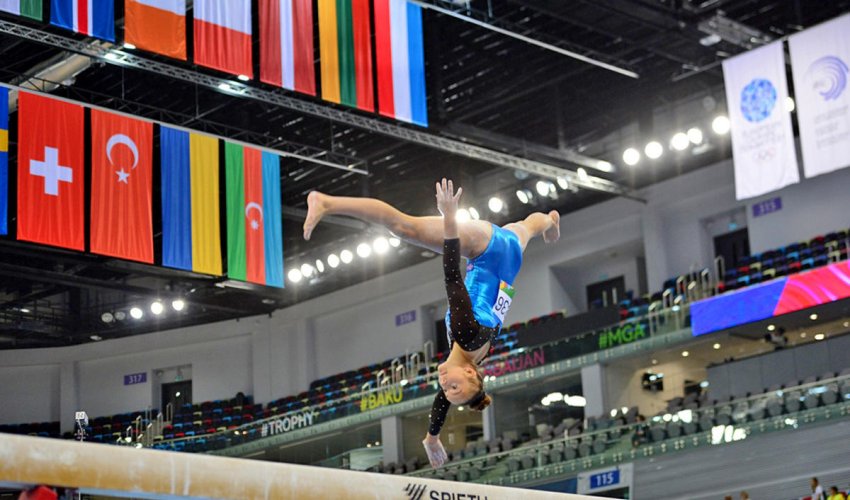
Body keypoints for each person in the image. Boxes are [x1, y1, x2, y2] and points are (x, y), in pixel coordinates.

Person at [303, 180, 561, 468]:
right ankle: (328, 202)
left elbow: (444, 401)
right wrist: (450, 217)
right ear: (467, 372)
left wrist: (432, 437)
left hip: (511, 260)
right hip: (487, 250)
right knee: (403, 228)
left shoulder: (470, 357)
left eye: (449, 391)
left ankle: (550, 221)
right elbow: (451, 274)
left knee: (528, 227)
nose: (445, 388)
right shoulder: (467, 333)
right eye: (454, 387)